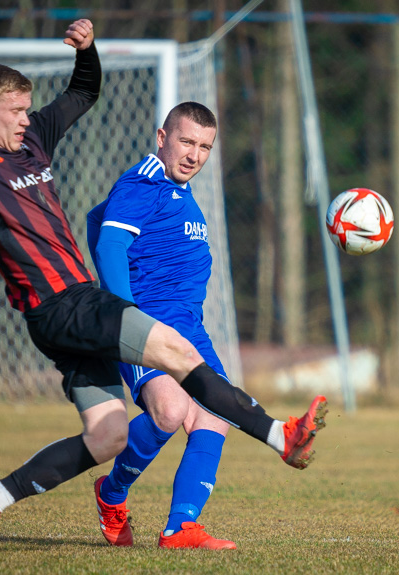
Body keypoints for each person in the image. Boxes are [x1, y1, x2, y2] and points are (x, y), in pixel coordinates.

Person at [0, 19, 327, 556]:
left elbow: (84, 91)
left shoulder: (32, 142)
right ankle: (279, 437)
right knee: (178, 356)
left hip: (64, 317)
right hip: (65, 304)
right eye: (15, 111)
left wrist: (87, 50)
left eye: (28, 109)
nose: (26, 119)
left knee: (109, 437)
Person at [86, 102, 246, 550]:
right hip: (147, 327)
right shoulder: (145, 181)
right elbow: (112, 243)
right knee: (170, 412)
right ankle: (111, 493)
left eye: (204, 147)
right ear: (162, 137)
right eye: (186, 141)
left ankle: (181, 529)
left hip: (189, 330)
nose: (194, 154)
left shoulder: (178, 190)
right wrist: (125, 313)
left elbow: (95, 219)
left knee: (215, 415)